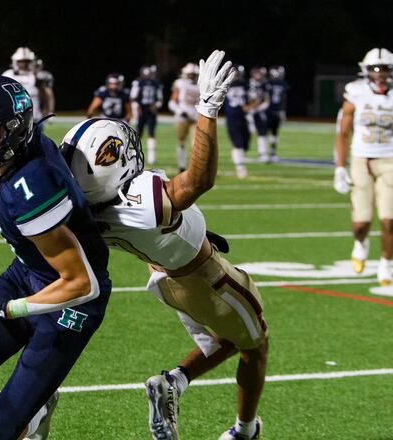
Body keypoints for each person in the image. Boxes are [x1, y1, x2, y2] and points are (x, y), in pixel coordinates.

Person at [62, 50, 267, 440]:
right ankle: (243, 430)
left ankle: (175, 383)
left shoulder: (83, 207)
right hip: (205, 280)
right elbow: (197, 181)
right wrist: (207, 108)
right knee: (255, 345)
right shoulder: (142, 203)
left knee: (225, 340)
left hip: (162, 277)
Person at [0, 75, 112, 440]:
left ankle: (38, 409)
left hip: (71, 302)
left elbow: (82, 283)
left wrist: (10, 308)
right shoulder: (11, 153)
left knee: (1, 427)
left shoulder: (32, 185)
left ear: (13, 131)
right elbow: (17, 225)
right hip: (29, 271)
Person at [334, 48, 393, 286]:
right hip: (361, 161)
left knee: (389, 220)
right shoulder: (356, 92)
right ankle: (361, 242)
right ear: (366, 70)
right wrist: (339, 166)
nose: (380, 74)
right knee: (360, 223)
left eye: (384, 69)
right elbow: (343, 132)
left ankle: (386, 264)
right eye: (375, 69)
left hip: (388, 161)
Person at [2, 47, 54, 121]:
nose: (24, 64)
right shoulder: (8, 75)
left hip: (35, 117)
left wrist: (49, 111)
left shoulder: (38, 75)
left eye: (26, 61)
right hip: (14, 118)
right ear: (15, 61)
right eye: (21, 61)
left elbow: (48, 96)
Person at [169, 63, 201, 172]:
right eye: (190, 74)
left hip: (195, 115)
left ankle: (195, 167)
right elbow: (172, 102)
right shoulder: (180, 83)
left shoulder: (201, 84)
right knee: (181, 142)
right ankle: (182, 166)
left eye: (194, 74)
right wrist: (180, 111)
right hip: (182, 116)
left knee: (196, 142)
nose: (192, 76)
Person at [131, 65, 164, 164]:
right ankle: (134, 154)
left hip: (151, 110)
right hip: (141, 109)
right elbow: (133, 97)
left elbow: (159, 99)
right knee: (138, 133)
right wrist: (137, 108)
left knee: (151, 133)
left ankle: (151, 157)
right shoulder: (139, 82)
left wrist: (156, 105)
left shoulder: (155, 83)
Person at [223, 65, 252, 179]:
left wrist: (249, 106)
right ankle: (240, 167)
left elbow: (254, 98)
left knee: (245, 144)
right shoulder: (225, 85)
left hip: (244, 118)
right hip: (232, 118)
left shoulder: (246, 86)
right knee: (238, 143)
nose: (235, 77)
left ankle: (239, 160)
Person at [264, 66, 289, 162]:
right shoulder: (281, 84)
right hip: (274, 111)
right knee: (273, 133)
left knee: (268, 133)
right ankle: (271, 152)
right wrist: (283, 111)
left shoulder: (267, 83)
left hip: (269, 111)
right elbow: (283, 99)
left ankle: (266, 153)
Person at [247, 67, 271, 163]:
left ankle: (262, 153)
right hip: (247, 112)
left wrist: (258, 108)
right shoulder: (247, 85)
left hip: (258, 112)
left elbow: (266, 100)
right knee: (244, 132)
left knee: (262, 133)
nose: (259, 76)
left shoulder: (264, 85)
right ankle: (240, 151)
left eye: (260, 74)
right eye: (257, 74)